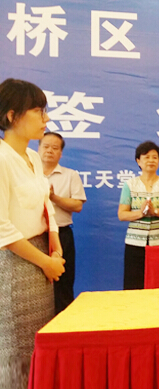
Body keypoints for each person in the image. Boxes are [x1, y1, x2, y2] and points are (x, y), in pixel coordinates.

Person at [0, 78, 65, 389]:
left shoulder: (33, 157)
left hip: (41, 260)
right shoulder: (2, 159)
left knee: (37, 345)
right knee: (16, 352)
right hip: (16, 263)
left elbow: (46, 204)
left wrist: (55, 246)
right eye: (38, 111)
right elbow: (2, 228)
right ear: (12, 115)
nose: (46, 119)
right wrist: (45, 261)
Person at [118, 141, 159, 289]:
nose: (151, 160)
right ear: (138, 161)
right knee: (133, 285)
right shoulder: (130, 185)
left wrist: (155, 211)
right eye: (146, 157)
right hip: (135, 242)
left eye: (155, 157)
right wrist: (140, 213)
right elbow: (122, 214)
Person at [38, 132, 87, 313]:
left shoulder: (70, 175)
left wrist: (54, 198)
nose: (49, 151)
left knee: (63, 284)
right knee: (35, 284)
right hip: (34, 237)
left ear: (61, 153)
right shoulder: (29, 174)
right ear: (38, 149)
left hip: (62, 235)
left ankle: (63, 324)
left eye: (55, 148)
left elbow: (77, 205)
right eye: (46, 146)